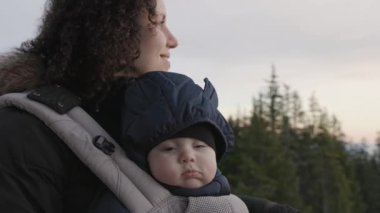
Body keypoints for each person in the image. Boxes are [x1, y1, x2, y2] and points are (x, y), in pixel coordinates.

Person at [0, 0, 299, 212]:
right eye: (158, 23)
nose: (173, 40)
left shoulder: (128, 114)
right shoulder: (22, 130)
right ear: (114, 31)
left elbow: (175, 199)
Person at [93, 71, 237, 212]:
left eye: (199, 146)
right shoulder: (124, 202)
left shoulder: (228, 199)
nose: (188, 157)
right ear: (144, 160)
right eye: (169, 149)